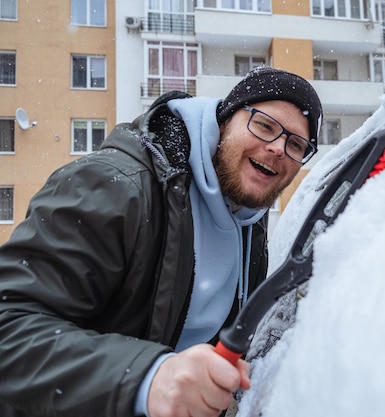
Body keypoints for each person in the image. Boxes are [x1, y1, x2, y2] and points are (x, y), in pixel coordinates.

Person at [0, 67, 323, 417]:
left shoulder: (250, 225)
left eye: (295, 145)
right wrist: (147, 379)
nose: (277, 148)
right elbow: (10, 328)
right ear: (225, 120)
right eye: (264, 125)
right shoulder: (117, 186)